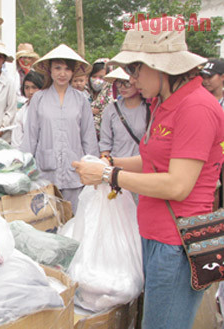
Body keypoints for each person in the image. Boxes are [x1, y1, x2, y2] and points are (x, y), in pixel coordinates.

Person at [72, 17, 224, 329]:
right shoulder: (162, 103)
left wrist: (108, 176)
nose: (131, 77)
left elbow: (177, 184)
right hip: (154, 234)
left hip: (178, 242)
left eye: (136, 68)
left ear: (163, 66)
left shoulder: (196, 108)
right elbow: (154, 162)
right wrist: (109, 164)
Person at [20, 44, 99, 214]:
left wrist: (93, 169)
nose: (62, 73)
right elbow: (31, 137)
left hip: (74, 170)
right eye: (57, 68)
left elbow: (88, 137)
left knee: (74, 220)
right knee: (47, 221)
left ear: (73, 72)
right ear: (50, 70)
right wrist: (24, 169)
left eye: (67, 69)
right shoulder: (39, 98)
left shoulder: (81, 100)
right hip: (45, 171)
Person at [99, 67, 148, 158]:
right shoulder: (110, 109)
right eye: (119, 83)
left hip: (141, 164)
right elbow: (105, 144)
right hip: (117, 163)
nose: (122, 87)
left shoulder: (148, 109)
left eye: (127, 83)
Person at [11, 70, 44, 149]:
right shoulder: (22, 111)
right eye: (27, 88)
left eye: (34, 87)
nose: (30, 92)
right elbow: (16, 140)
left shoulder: (48, 109)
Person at [89, 58, 114, 138]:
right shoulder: (84, 93)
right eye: (94, 76)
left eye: (101, 77)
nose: (97, 80)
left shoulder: (111, 96)